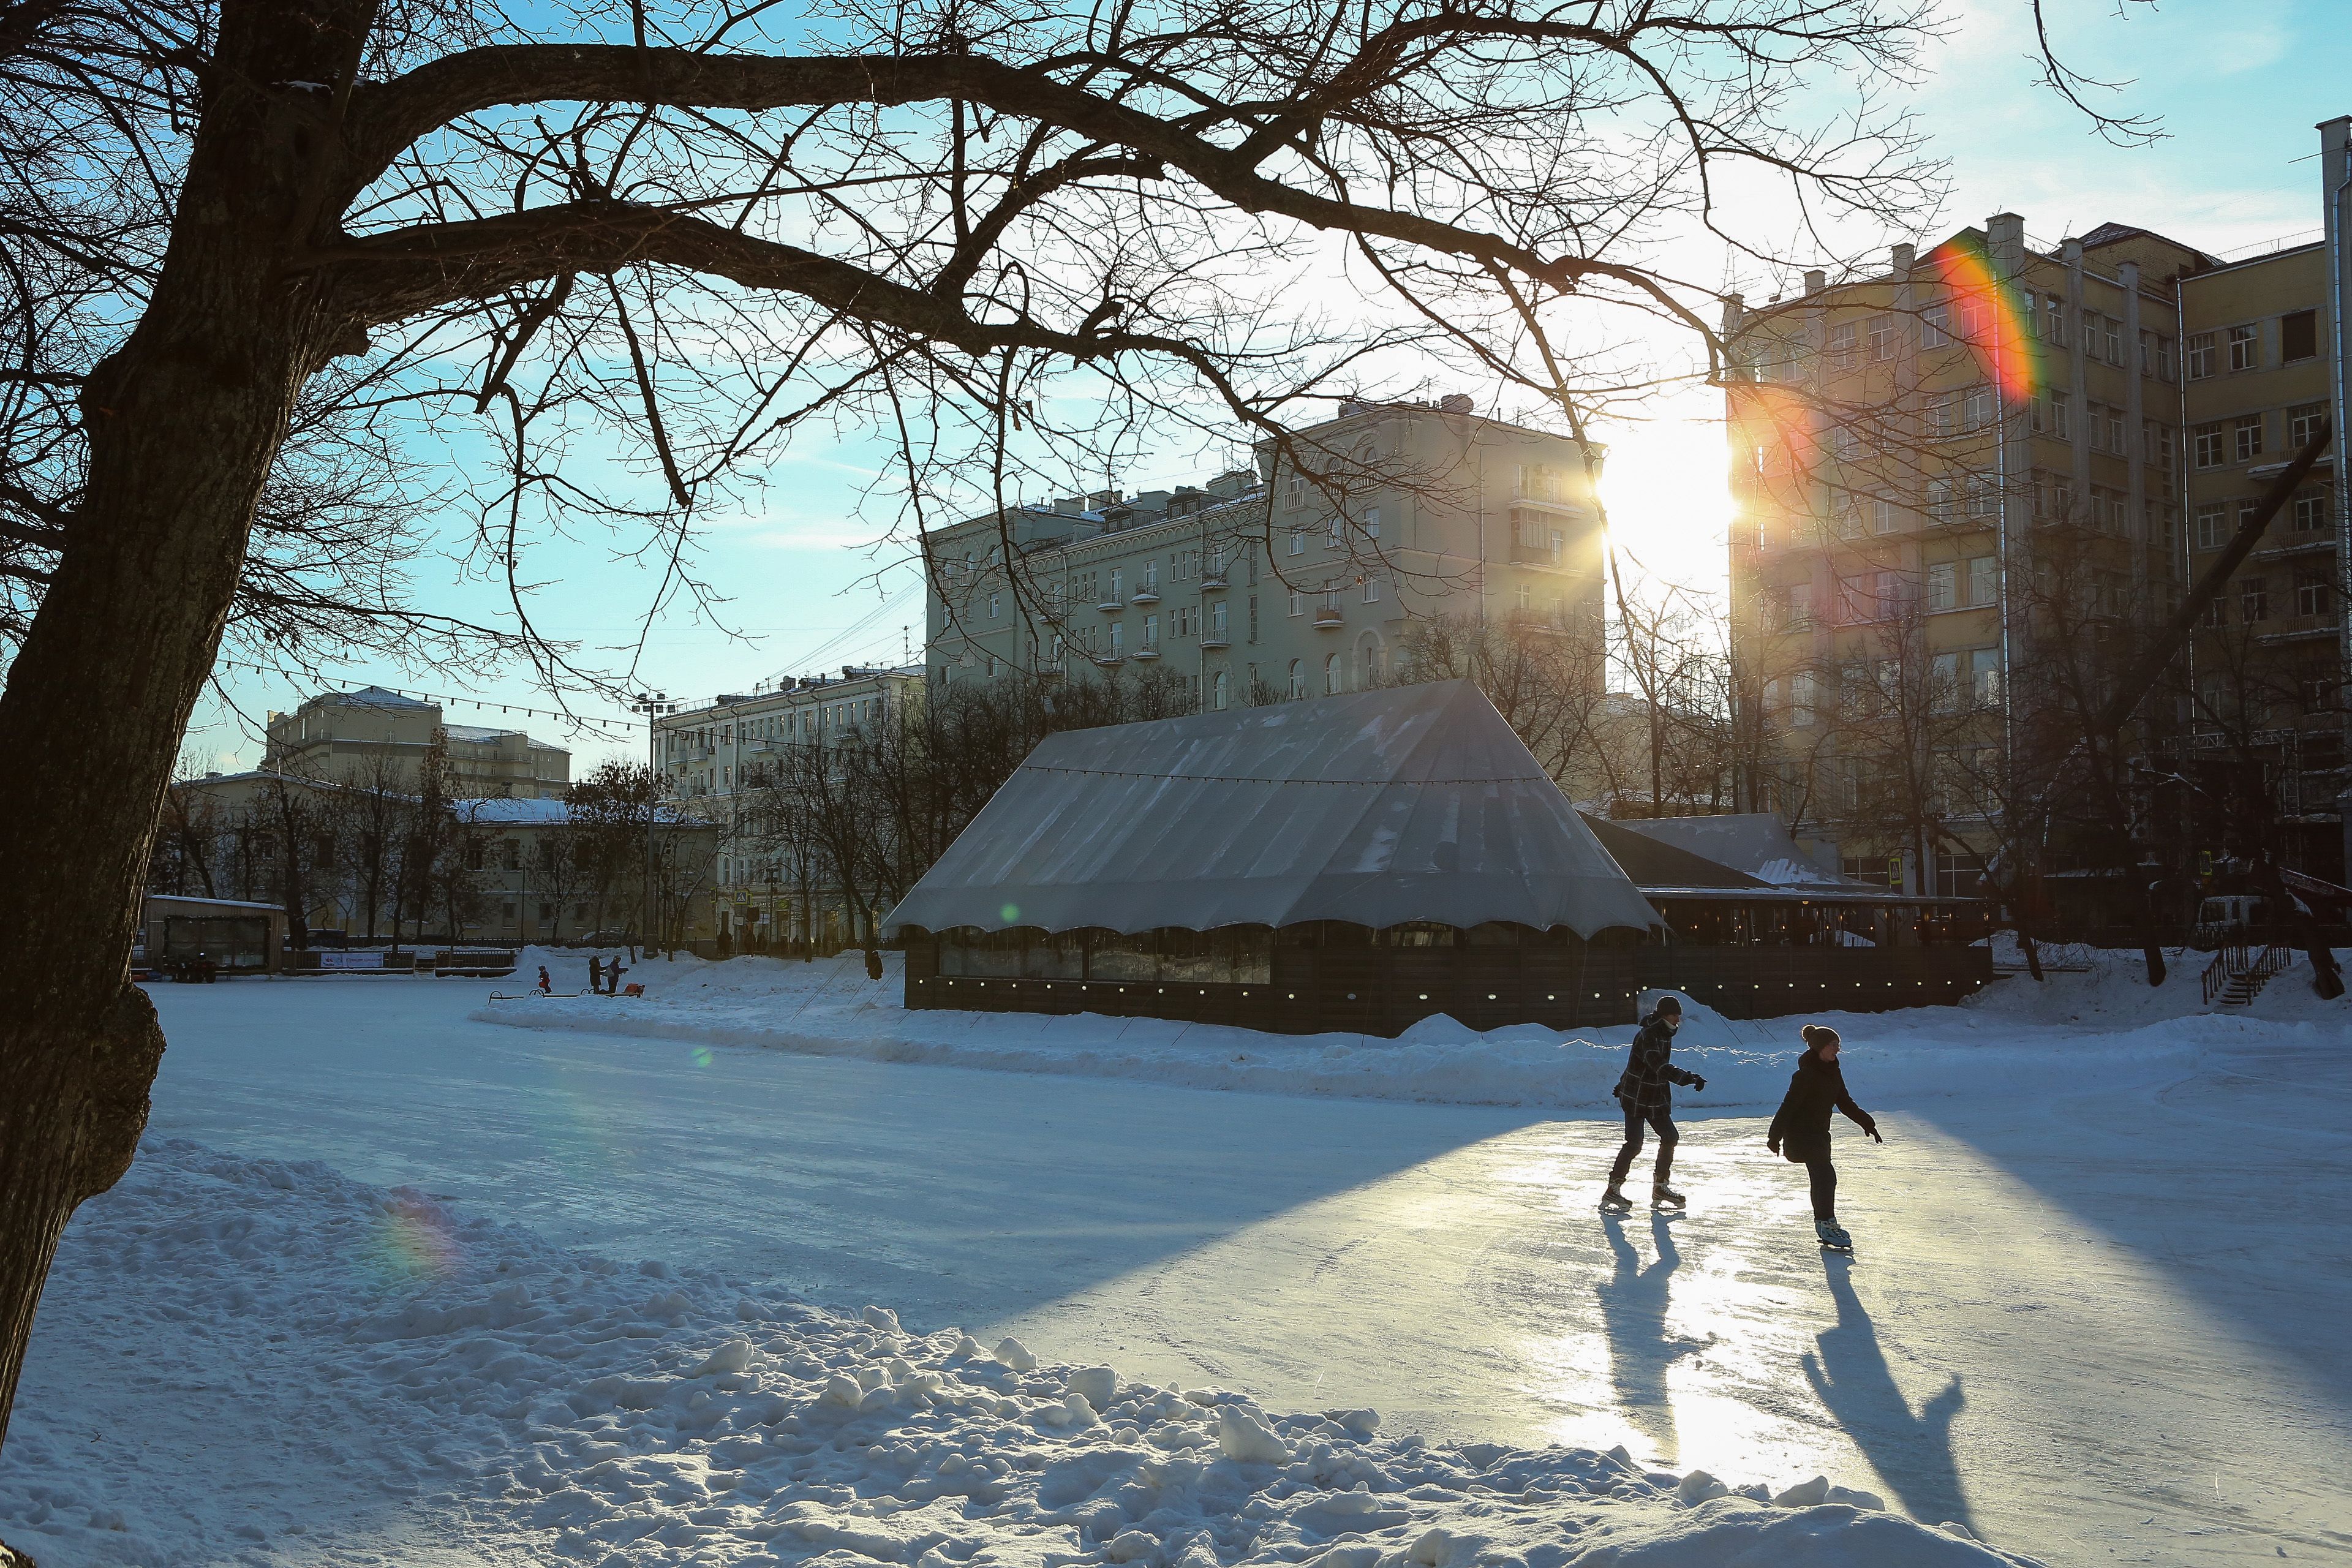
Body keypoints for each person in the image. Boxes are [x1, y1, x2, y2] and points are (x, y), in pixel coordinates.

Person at [1767, 1023, 1882, 1251]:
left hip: (1819, 1134)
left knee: (1822, 1178)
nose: (1837, 1049)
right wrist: (1775, 1136)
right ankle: (1826, 1224)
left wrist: (1867, 1122)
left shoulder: (1833, 1071)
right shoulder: (1806, 1074)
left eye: (1838, 1045)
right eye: (1833, 1045)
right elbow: (1788, 1105)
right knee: (1825, 1177)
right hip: (1801, 1134)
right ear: (1820, 1047)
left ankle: (1824, 1223)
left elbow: (1845, 1102)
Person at [1602, 995, 1706, 1213]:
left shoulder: (1664, 1032)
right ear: (1663, 1015)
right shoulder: (1649, 1034)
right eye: (1674, 1014)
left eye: (1678, 1013)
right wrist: (1687, 1078)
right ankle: (1613, 1188)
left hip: (1654, 1095)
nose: (1678, 1018)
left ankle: (1660, 1187)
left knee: (1670, 1137)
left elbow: (1638, 1063)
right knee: (1634, 1143)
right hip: (1638, 1096)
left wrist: (1621, 1084)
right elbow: (1658, 1065)